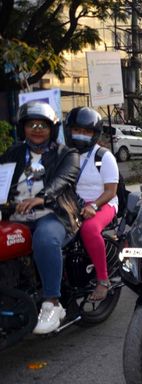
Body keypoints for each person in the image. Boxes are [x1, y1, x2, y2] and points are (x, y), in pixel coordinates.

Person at [0, 102, 80, 334]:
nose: (36, 129)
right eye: (31, 124)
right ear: (22, 128)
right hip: (16, 214)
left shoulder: (67, 153)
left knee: (45, 239)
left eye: (42, 125)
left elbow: (64, 179)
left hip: (54, 213)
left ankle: (52, 302)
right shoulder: (13, 154)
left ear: (51, 129)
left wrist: (43, 197)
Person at [64, 106, 119, 302]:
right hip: (71, 204)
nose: (81, 135)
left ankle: (103, 280)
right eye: (77, 130)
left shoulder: (103, 156)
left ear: (94, 134)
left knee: (89, 229)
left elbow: (111, 191)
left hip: (103, 203)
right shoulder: (64, 154)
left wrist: (93, 206)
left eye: (86, 132)